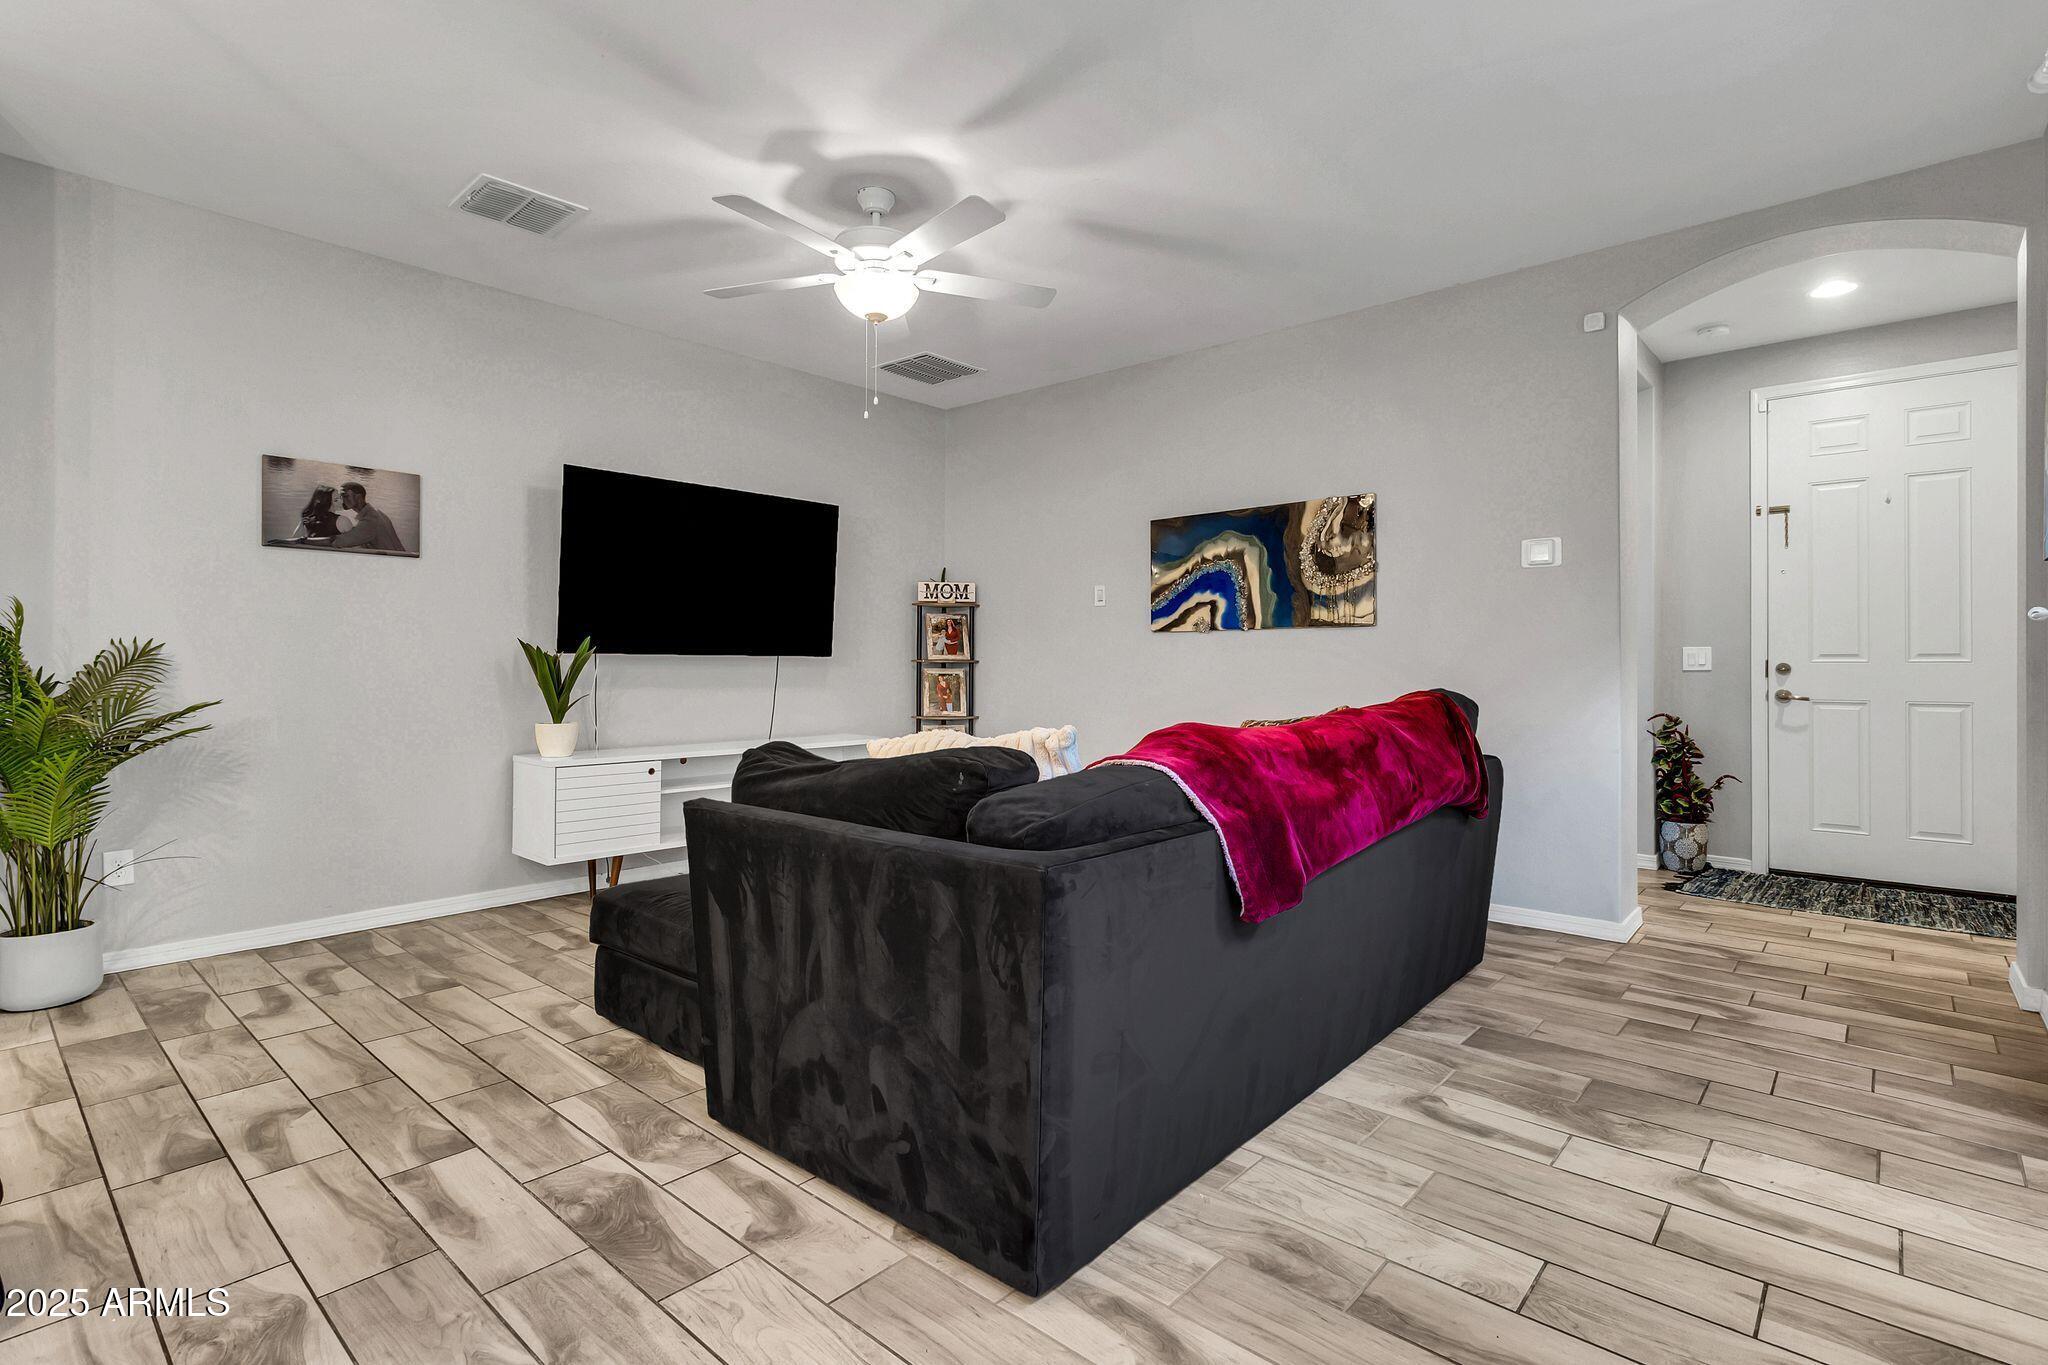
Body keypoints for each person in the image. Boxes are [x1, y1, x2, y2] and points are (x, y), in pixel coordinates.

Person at [329, 482, 406, 552]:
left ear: (358, 498)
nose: (341, 500)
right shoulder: (376, 512)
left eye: (345, 496)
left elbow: (340, 541)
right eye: (340, 497)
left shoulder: (370, 520)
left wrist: (317, 542)